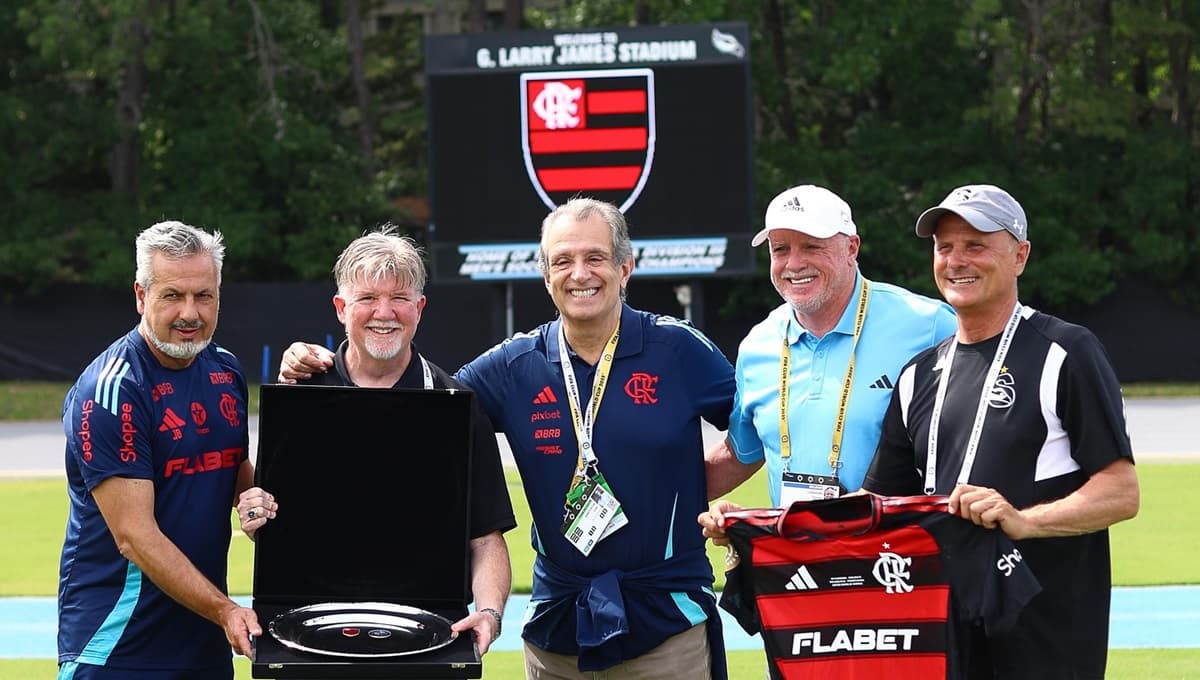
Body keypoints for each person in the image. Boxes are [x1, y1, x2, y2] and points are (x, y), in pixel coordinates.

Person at [281, 198, 736, 679]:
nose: (579, 273)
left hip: (667, 622)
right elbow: (416, 412)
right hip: (558, 627)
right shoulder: (510, 365)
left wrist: (686, 490)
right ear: (545, 275)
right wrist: (322, 363)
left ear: (625, 267)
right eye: (562, 260)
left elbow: (755, 433)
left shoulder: (681, 348)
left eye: (594, 257)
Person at [861, 184, 1140, 679]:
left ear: (1020, 256)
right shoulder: (917, 375)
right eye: (944, 247)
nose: (955, 260)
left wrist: (1024, 521)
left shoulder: (1065, 352)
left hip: (1046, 643)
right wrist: (763, 529)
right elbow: (877, 507)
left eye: (976, 245)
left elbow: (1120, 492)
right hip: (944, 639)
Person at [239, 226, 516, 654]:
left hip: (428, 641)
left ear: (419, 308)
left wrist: (491, 611)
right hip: (306, 639)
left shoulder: (457, 404)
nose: (384, 313)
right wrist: (255, 516)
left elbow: (485, 537)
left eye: (400, 298)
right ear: (340, 307)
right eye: (368, 298)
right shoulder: (300, 396)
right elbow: (273, 529)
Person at [58, 220, 260, 679]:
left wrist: (260, 506)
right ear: (140, 296)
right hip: (117, 648)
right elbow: (134, 536)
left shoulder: (225, 370)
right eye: (172, 295)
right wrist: (227, 610)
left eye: (203, 295)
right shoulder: (112, 390)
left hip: (204, 645)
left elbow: (237, 474)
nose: (190, 312)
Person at [699, 185, 957, 533]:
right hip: (798, 565)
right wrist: (647, 497)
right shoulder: (758, 344)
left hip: (900, 563)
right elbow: (741, 452)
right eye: (780, 249)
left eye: (811, 246)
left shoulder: (929, 325)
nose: (793, 263)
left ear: (852, 248)